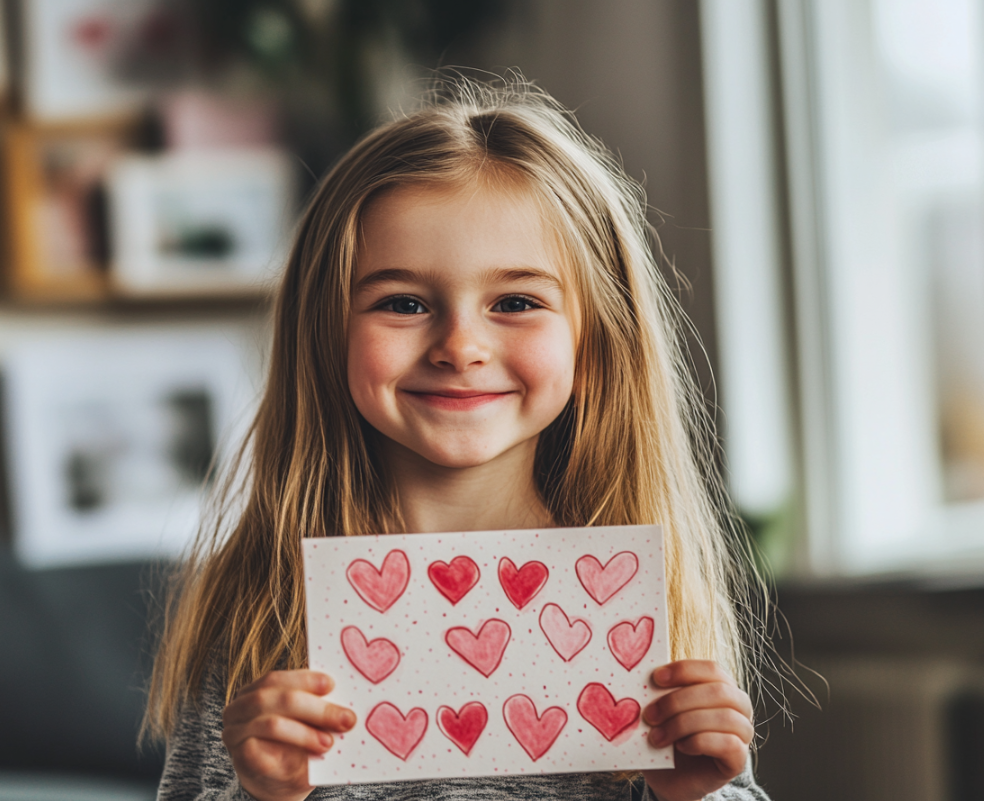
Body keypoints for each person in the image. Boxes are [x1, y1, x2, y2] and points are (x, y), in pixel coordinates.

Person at [146, 76, 774, 801]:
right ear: (324, 334)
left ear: (595, 341)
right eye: (403, 302)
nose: (460, 345)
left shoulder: (634, 602)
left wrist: (698, 794)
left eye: (515, 302)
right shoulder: (261, 600)